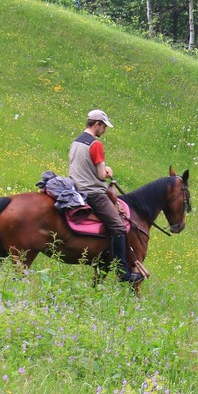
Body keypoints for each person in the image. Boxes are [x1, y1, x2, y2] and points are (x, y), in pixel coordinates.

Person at [68, 108, 138, 283]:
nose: (104, 131)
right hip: (93, 193)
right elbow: (100, 175)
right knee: (119, 226)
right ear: (97, 124)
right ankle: (123, 272)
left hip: (75, 188)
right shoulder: (95, 144)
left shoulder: (76, 141)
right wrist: (108, 171)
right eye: (104, 127)